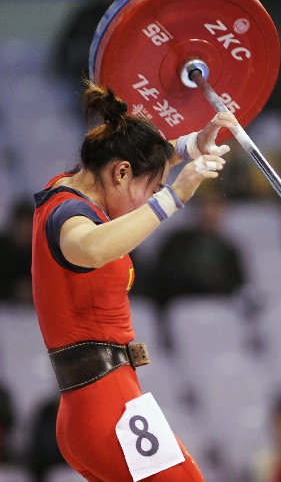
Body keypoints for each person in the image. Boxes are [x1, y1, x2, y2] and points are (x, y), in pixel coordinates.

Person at [31, 80, 238, 481]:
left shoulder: (70, 184)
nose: (152, 196)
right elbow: (89, 249)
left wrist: (193, 144)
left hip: (90, 413)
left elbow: (136, 164)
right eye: (152, 187)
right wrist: (173, 197)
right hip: (108, 410)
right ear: (121, 172)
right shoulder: (69, 218)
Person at [134, 187, 247, 351]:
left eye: (217, 206)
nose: (211, 212)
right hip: (179, 310)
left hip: (217, 313)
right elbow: (163, 280)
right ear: (197, 209)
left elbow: (238, 286)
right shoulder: (175, 241)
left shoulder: (230, 249)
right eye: (207, 205)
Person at [0, 197, 34, 305]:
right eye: (22, 225)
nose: (25, 231)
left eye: (28, 226)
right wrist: (13, 291)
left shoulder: (41, 250)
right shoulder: (3, 247)